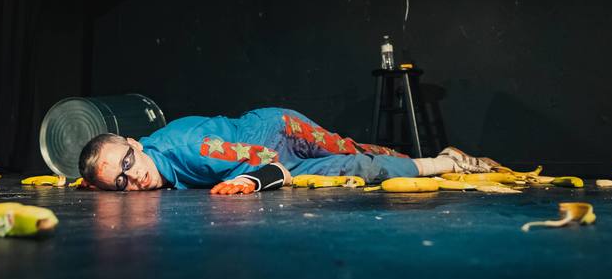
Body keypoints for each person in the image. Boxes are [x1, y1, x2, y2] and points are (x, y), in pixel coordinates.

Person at [78, 107, 498, 195]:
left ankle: (456, 159)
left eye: (128, 163)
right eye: (120, 181)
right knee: (360, 167)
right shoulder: (146, 163)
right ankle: (445, 162)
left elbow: (269, 162)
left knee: (348, 149)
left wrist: (246, 181)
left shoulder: (191, 149)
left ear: (134, 143)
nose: (133, 177)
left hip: (282, 134)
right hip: (266, 152)